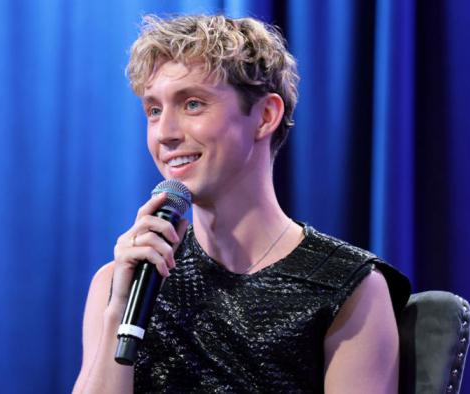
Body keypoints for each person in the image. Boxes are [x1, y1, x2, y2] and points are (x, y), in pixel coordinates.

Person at [73, 14, 410, 393]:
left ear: (265, 116)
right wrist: (119, 308)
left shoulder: (349, 288)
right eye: (154, 110)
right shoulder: (123, 284)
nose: (165, 133)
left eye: (193, 104)